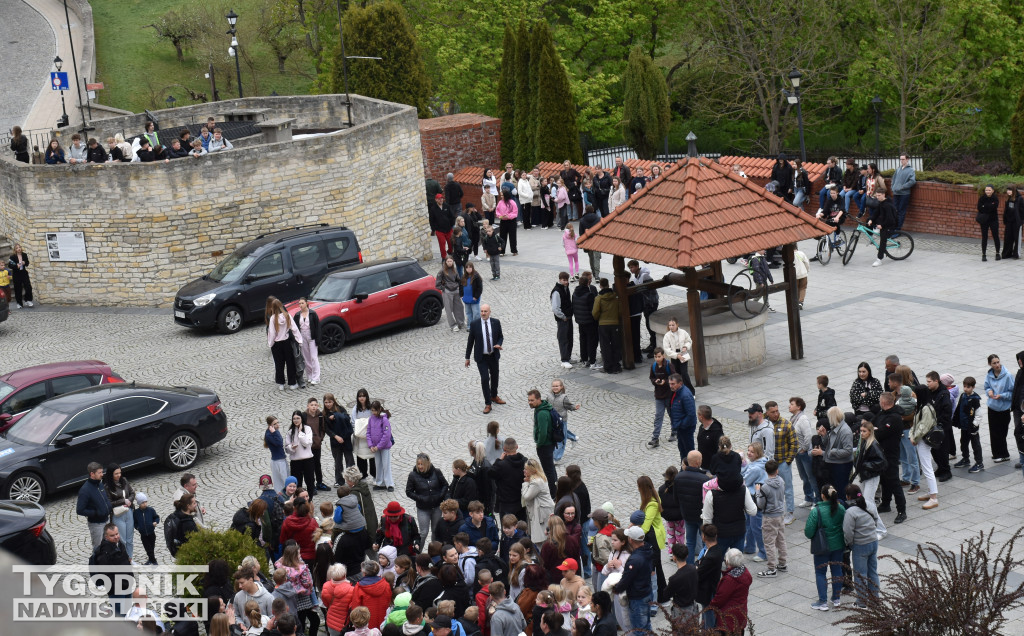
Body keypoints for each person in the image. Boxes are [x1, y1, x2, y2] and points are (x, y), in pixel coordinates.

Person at [804, 484, 846, 611]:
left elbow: (808, 532)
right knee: (837, 570)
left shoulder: (816, 511)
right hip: (838, 545)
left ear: (822, 496)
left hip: (822, 547)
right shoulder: (841, 509)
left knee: (821, 572)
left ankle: (823, 602)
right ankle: (836, 598)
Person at [872, 392, 908, 525]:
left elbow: (880, 433)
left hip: (890, 454)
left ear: (883, 402)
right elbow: (872, 425)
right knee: (883, 479)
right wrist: (875, 429)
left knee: (894, 482)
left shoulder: (894, 418)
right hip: (881, 453)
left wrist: (876, 430)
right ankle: (886, 503)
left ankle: (901, 511)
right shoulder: (882, 413)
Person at [701, 469, 755, 555]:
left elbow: (707, 519)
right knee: (736, 561)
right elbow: (753, 511)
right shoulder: (743, 490)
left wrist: (707, 535)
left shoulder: (711, 494)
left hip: (720, 533)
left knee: (717, 560)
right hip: (738, 530)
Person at [843, 483, 879, 608]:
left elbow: (848, 532)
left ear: (848, 497)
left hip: (860, 545)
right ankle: (875, 600)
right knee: (872, 572)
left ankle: (862, 602)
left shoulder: (850, 512)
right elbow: (876, 521)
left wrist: (850, 544)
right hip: (874, 542)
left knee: (860, 574)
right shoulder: (870, 505)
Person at [850, 419, 887, 539]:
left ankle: (881, 529)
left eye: (864, 431)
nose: (861, 433)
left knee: (868, 503)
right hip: (865, 476)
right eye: (861, 431)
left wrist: (865, 465)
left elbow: (882, 462)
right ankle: (873, 527)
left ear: (870, 432)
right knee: (867, 503)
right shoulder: (865, 443)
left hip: (871, 477)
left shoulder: (873, 445)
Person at [465, 304, 505, 414]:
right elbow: (470, 341)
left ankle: (494, 395)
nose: (483, 313)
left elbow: (501, 336)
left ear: (489, 312)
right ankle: (488, 403)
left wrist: (498, 344)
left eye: (485, 311)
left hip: (493, 355)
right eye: (481, 311)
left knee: (495, 376)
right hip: (481, 357)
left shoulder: (496, 322)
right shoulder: (475, 324)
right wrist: (467, 357)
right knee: (485, 378)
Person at [765, 401, 797, 524]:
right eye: (773, 412)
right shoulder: (764, 424)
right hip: (769, 464)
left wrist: (788, 461)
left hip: (783, 462)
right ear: (767, 412)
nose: (776, 414)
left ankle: (790, 513)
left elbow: (794, 443)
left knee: (787, 488)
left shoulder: (786, 424)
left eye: (777, 411)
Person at [407, 453, 449, 546]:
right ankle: (418, 553)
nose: (420, 466)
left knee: (435, 531)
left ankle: (435, 553)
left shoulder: (437, 472)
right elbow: (409, 491)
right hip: (423, 509)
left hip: (436, 507)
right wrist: (421, 498)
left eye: (422, 464)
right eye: (418, 464)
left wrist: (440, 496)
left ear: (428, 463)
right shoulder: (413, 475)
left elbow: (445, 485)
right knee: (423, 532)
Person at [814, 406, 854, 504]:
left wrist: (832, 452)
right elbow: (829, 444)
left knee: (840, 490)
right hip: (834, 463)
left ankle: (842, 509)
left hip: (841, 466)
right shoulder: (835, 427)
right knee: (835, 489)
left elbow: (848, 451)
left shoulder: (845, 431)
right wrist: (824, 436)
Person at [754, 459, 786, 578]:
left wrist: (757, 492)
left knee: (769, 542)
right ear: (777, 471)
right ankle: (782, 563)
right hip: (780, 514)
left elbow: (760, 504)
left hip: (769, 517)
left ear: (766, 471)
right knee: (781, 539)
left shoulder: (765, 487)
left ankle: (771, 568)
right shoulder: (781, 481)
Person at [909, 385, 940, 510]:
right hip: (921, 440)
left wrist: (914, 438)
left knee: (927, 468)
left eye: (915, 393)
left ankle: (933, 497)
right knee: (927, 466)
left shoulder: (926, 408)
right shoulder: (923, 406)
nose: (913, 395)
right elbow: (918, 424)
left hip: (923, 441)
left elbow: (923, 426)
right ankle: (930, 492)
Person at [706, 548, 751, 633]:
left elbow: (720, 598)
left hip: (728, 616)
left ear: (728, 561)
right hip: (741, 611)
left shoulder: (730, 580)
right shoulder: (745, 572)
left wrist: (711, 605)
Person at [985, 354, 1014, 464]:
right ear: (990, 364)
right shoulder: (989, 375)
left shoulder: (1007, 376)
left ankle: (1004, 454)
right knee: (993, 431)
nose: (997, 365)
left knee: (1002, 432)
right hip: (992, 407)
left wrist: (1001, 395)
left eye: (998, 362)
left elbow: (1012, 393)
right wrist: (989, 392)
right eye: (994, 363)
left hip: (1003, 408)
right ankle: (996, 453)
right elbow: (987, 386)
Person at [266, 298, 302, 390]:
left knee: (279, 364)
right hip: (286, 342)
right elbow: (294, 329)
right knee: (290, 363)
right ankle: (292, 383)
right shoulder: (287, 316)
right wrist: (299, 340)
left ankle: (281, 383)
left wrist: (270, 343)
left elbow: (272, 333)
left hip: (277, 344)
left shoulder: (273, 318)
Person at [104, 463, 137, 561]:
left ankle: (130, 558)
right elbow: (109, 503)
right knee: (122, 540)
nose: (119, 475)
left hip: (129, 512)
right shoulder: (107, 487)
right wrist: (123, 501)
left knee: (130, 539)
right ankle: (124, 559)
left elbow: (132, 492)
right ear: (111, 475)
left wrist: (130, 500)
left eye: (120, 473)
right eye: (116, 474)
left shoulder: (124, 480)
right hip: (118, 515)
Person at [78, 462, 112, 550]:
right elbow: (80, 510)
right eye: (99, 473)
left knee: (109, 546)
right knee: (98, 549)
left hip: (107, 520)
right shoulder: (85, 490)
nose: (102, 474)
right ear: (92, 474)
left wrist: (109, 505)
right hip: (96, 525)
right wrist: (96, 513)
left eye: (102, 472)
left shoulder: (100, 484)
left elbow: (105, 498)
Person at [591, 278, 620, 374]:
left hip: (603, 325)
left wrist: (599, 318)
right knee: (616, 345)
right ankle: (616, 366)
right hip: (615, 323)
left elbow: (595, 312)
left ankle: (607, 366)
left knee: (605, 346)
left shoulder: (599, 298)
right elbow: (620, 309)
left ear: (600, 286)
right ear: (608, 284)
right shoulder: (615, 296)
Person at [571, 272, 600, 370]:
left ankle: (584, 359)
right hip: (590, 322)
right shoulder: (589, 295)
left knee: (583, 340)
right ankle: (592, 361)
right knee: (592, 341)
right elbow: (593, 310)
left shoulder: (575, 294)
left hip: (580, 321)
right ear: (587, 283)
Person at [522, 459, 555, 542]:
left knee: (542, 538)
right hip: (543, 510)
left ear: (532, 470)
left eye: (526, 469)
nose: (524, 471)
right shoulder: (539, 479)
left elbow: (526, 496)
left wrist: (525, 483)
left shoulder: (536, 482)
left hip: (542, 513)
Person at [324, 394, 353, 485]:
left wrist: (336, 416)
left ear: (333, 401)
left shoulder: (340, 409)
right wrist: (336, 436)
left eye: (330, 402)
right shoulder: (324, 414)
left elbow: (347, 418)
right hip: (335, 441)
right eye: (326, 402)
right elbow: (327, 429)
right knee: (338, 462)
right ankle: (339, 480)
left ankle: (352, 479)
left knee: (349, 460)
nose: (328, 404)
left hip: (346, 439)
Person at [285, 410, 316, 495]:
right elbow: (287, 448)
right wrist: (292, 447)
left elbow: (307, 443)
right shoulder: (290, 432)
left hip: (308, 460)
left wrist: (300, 433)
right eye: (294, 418)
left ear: (301, 418)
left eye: (298, 418)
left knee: (310, 481)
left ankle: (309, 499)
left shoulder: (307, 429)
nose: (296, 420)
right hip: (296, 461)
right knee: (297, 483)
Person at [548, 380, 580, 463]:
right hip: (552, 420)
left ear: (561, 387)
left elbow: (569, 406)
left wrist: (574, 407)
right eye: (553, 386)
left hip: (561, 420)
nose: (555, 388)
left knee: (561, 438)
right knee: (560, 433)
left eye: (557, 386)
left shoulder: (564, 398)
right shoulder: (549, 396)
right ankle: (574, 438)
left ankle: (557, 458)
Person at [366, 400, 395, 491]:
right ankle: (380, 482)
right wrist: (370, 445)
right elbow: (368, 432)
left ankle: (389, 484)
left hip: (384, 447)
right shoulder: (371, 419)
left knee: (386, 465)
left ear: (379, 409)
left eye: (375, 410)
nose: (373, 412)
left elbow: (386, 435)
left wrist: (378, 446)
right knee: (378, 464)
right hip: (375, 447)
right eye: (372, 410)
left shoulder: (384, 419)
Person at [668, 374, 697, 463]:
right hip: (680, 427)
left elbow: (691, 414)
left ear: (680, 383)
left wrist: (681, 424)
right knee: (682, 449)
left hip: (686, 428)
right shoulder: (676, 392)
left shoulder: (685, 395)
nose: (671, 386)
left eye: (673, 384)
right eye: (670, 383)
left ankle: (690, 469)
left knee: (688, 451)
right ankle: (684, 467)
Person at [292, 299, 321, 386]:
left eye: (302, 303)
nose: (300, 305)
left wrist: (318, 339)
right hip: (302, 336)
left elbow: (318, 327)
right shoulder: (297, 315)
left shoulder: (312, 314)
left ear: (306, 303)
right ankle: (310, 375)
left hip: (311, 336)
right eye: (299, 303)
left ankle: (316, 377)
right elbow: (296, 328)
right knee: (306, 357)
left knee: (313, 357)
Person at [648, 348, 673, 448]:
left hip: (669, 394)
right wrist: (656, 381)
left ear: (663, 356)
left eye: (659, 356)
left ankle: (674, 431)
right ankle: (655, 438)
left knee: (672, 414)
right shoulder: (653, 366)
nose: (657, 359)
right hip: (658, 395)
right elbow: (651, 377)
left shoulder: (668, 366)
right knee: (658, 416)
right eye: (655, 357)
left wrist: (665, 382)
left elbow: (674, 377)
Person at [551, 272, 574, 369]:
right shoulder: (557, 291)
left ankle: (568, 357)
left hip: (568, 317)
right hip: (563, 319)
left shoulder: (565, 288)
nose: (566, 282)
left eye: (566, 280)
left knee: (569, 338)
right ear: (560, 280)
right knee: (563, 338)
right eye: (564, 280)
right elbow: (555, 308)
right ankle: (564, 359)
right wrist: (563, 316)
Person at [438, 256, 467, 333]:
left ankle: (461, 322)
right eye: (448, 261)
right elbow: (437, 284)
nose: (450, 263)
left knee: (459, 307)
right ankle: (453, 325)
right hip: (447, 291)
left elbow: (458, 279)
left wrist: (458, 286)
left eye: (451, 261)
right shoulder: (442, 271)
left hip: (455, 290)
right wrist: (444, 288)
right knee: (449, 309)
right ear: (445, 262)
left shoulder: (455, 270)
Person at [890, 154, 917, 229]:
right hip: (896, 193)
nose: (901, 161)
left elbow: (912, 181)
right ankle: (894, 228)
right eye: (900, 159)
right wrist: (892, 187)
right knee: (895, 211)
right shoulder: (898, 169)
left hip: (904, 194)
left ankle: (898, 229)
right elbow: (893, 179)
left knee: (901, 211)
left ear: (907, 159)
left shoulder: (911, 170)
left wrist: (902, 187)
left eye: (903, 159)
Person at [696, 406, 724, 473]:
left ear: (701, 416)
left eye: (698, 415)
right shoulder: (702, 427)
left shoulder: (717, 432)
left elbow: (721, 450)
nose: (697, 416)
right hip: (703, 465)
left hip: (712, 469)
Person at [977, 185, 1001, 261]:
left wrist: (985, 206)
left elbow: (994, 207)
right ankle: (983, 254)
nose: (987, 191)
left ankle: (997, 253)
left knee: (995, 236)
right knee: (984, 237)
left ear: (993, 190)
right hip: (984, 221)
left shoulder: (995, 198)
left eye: (989, 190)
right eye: (986, 190)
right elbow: (979, 208)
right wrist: (989, 206)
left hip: (993, 220)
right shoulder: (982, 198)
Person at [578, 206, 601, 279]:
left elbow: (581, 233)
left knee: (591, 257)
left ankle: (593, 272)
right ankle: (597, 275)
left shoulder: (582, 220)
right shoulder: (598, 218)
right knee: (597, 257)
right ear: (593, 210)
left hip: (588, 241)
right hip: (596, 240)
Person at [430, 193, 455, 260]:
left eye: (441, 198)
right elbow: (431, 220)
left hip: (448, 229)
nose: (441, 200)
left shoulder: (447, 206)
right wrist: (434, 229)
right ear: (436, 200)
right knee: (442, 244)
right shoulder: (433, 209)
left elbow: (452, 216)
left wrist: (451, 224)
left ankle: (450, 252)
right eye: (439, 199)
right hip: (439, 230)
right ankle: (444, 257)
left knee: (451, 243)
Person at [8, 244, 33, 308]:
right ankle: (19, 303)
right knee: (18, 289)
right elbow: (10, 265)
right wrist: (16, 266)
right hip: (16, 274)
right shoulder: (12, 257)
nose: (19, 249)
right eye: (17, 248)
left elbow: (27, 263)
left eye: (19, 247)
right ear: (15, 250)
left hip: (24, 273)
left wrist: (25, 262)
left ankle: (28, 300)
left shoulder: (24, 255)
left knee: (28, 287)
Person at [495, 189, 519, 256]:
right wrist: (500, 216)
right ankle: (502, 251)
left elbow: (515, 212)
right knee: (502, 237)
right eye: (501, 195)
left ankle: (514, 250)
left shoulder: (512, 202)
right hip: (503, 221)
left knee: (512, 236)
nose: (501, 196)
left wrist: (508, 216)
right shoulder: (500, 202)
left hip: (511, 221)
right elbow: (497, 211)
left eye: (502, 195)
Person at [461, 262, 483, 326]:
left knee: (476, 313)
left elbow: (479, 288)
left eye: (470, 267)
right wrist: (461, 295)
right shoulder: (464, 277)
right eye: (467, 268)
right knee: (468, 313)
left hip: (474, 298)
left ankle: (476, 326)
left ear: (472, 268)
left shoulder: (476, 277)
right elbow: (460, 286)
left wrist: (476, 296)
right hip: (466, 298)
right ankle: (469, 325)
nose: (468, 269)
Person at [1003, 186, 1021, 259]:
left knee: (1016, 238)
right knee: (1008, 238)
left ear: (1014, 190)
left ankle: (1016, 254)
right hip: (1009, 222)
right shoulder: (1008, 198)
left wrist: (1021, 220)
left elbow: (1022, 210)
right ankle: (1007, 253)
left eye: (1010, 190)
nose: (1008, 191)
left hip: (1016, 222)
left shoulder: (1019, 199)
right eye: (1007, 190)